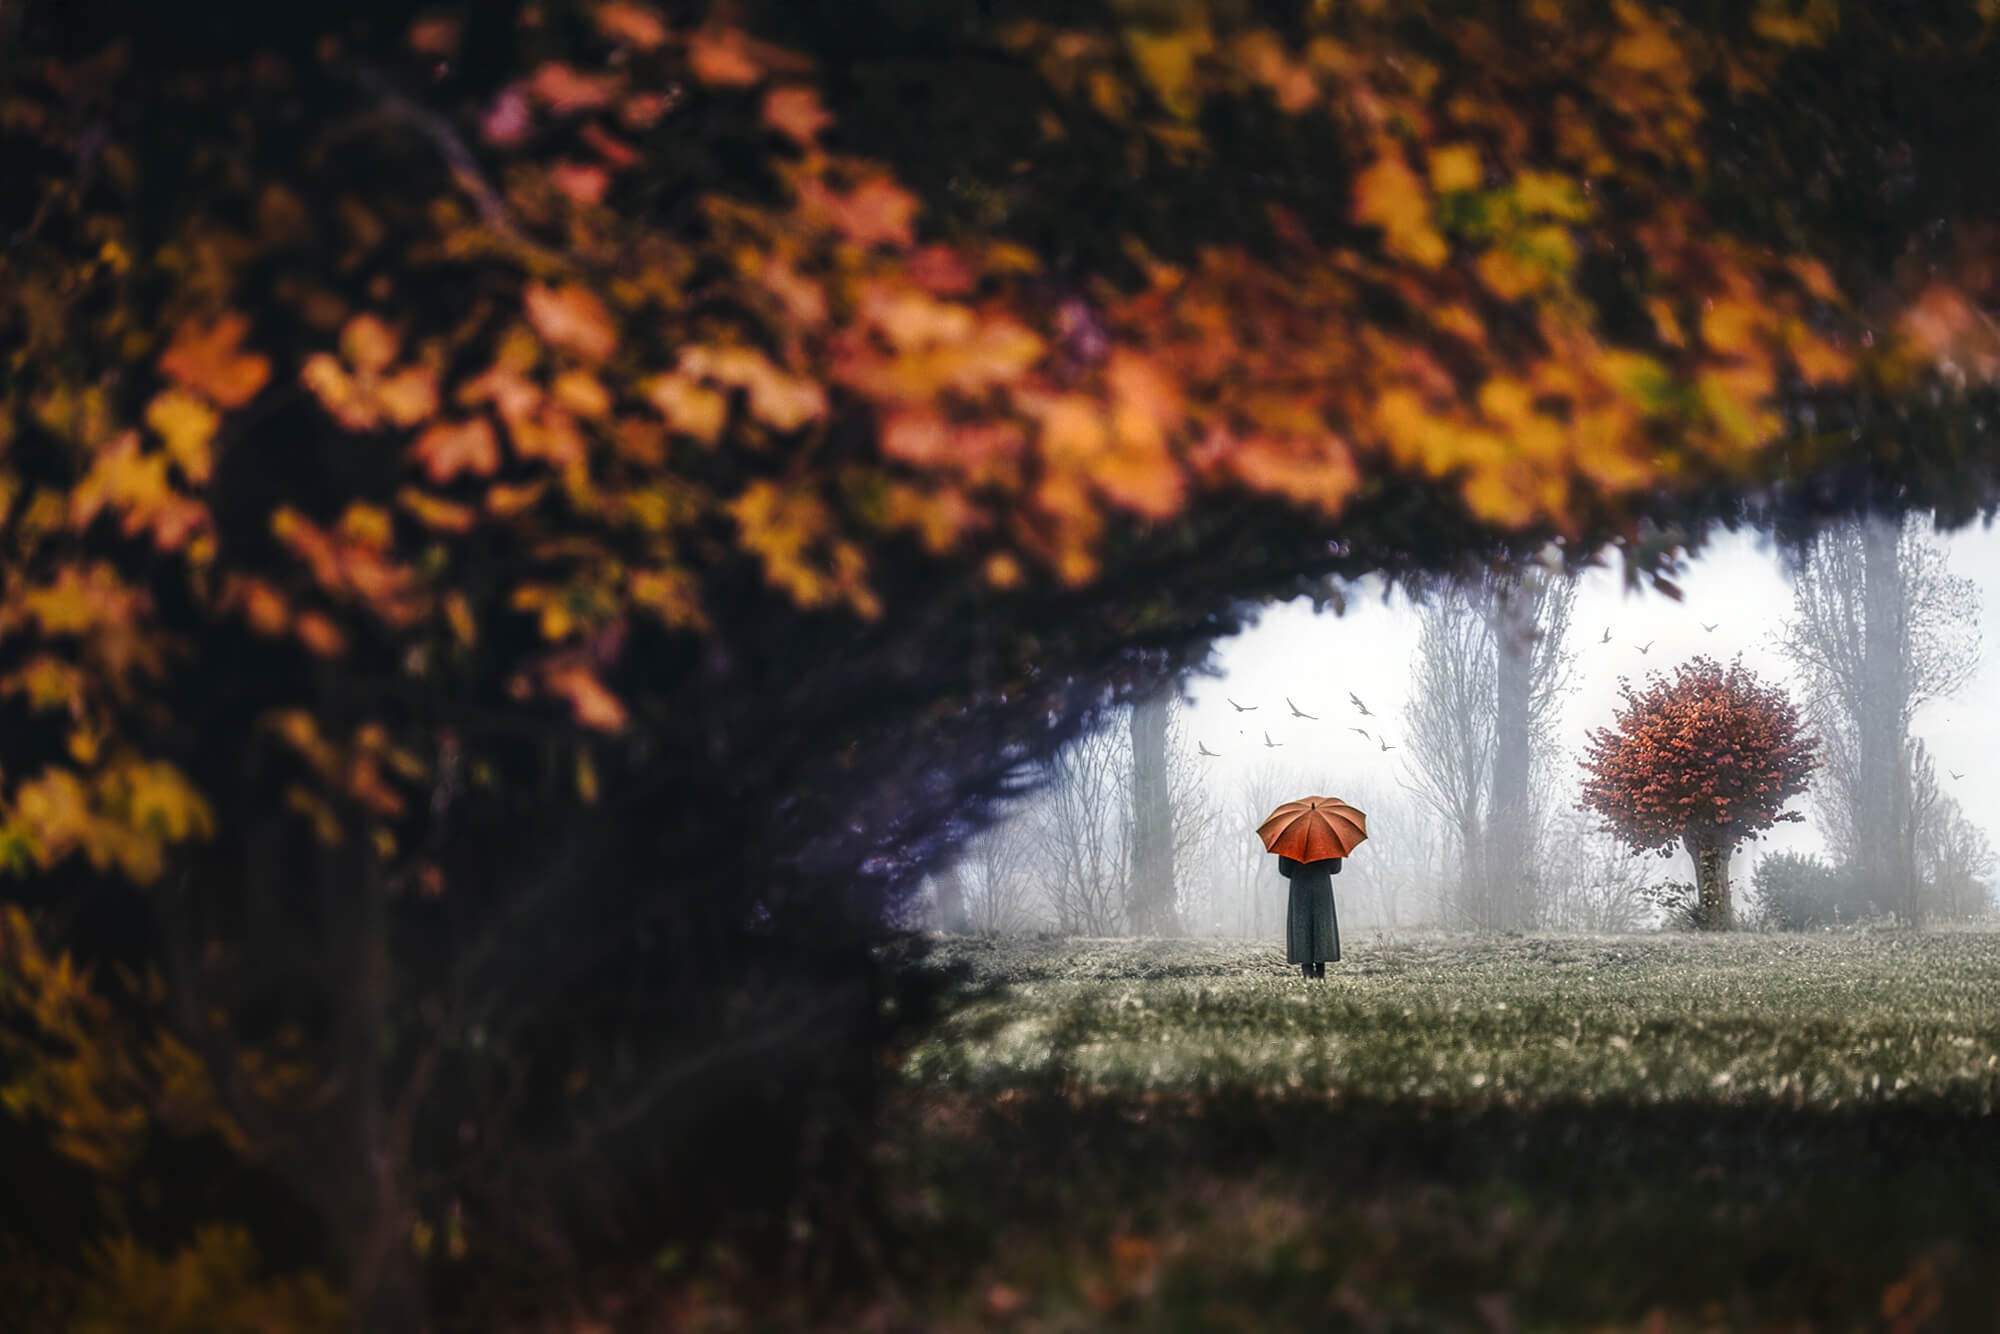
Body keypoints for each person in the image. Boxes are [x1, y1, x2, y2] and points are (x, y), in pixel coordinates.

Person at [1279, 854, 1341, 978]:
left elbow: (1284, 869)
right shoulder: (1327, 839)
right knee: (1322, 925)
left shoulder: (1291, 840)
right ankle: (1320, 971)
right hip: (1321, 884)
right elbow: (1335, 868)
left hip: (1300, 884)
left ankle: (1307, 970)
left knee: (1301, 926)